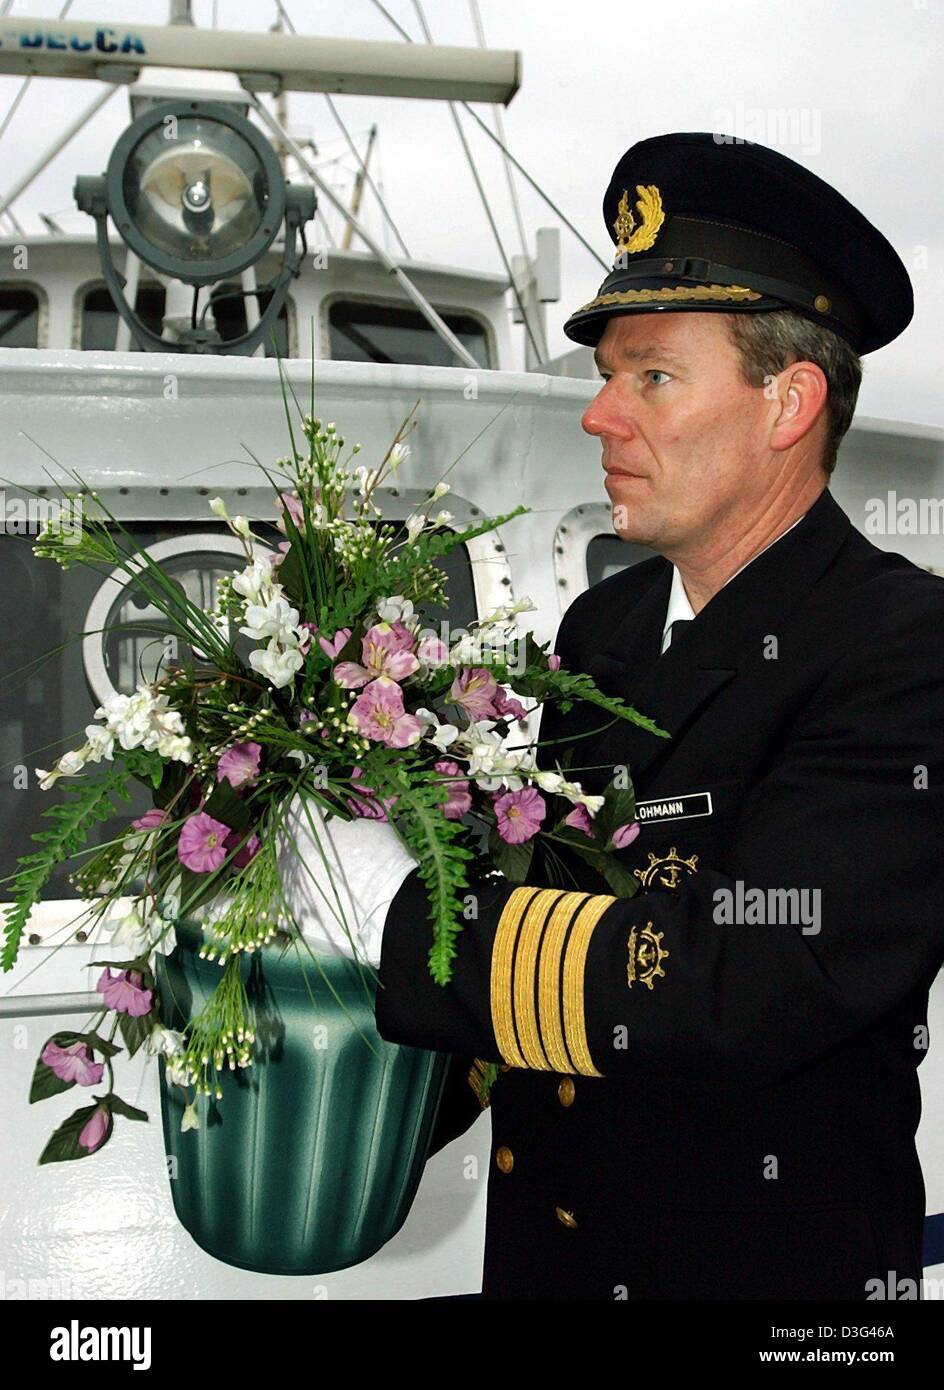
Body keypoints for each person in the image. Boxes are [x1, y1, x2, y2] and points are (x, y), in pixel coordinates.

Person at [292, 133, 944, 1300]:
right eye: (604, 376)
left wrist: (394, 916)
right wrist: (313, 1064)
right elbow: (544, 916)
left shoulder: (900, 649)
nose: (598, 416)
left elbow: (737, 982)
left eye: (648, 376)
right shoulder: (607, 624)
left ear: (787, 401)